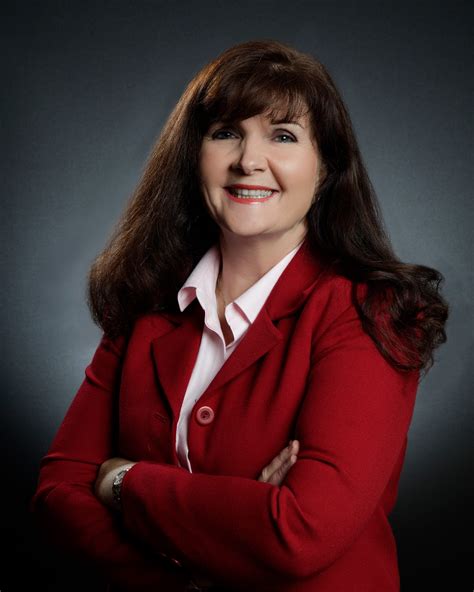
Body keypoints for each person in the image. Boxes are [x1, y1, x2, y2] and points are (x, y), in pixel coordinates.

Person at [30, 39, 449, 592]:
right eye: (226, 132)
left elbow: (299, 533)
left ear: (325, 167)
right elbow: (58, 492)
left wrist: (123, 480)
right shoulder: (145, 299)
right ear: (194, 154)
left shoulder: (370, 312)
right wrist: (185, 570)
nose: (248, 160)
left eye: (283, 136)